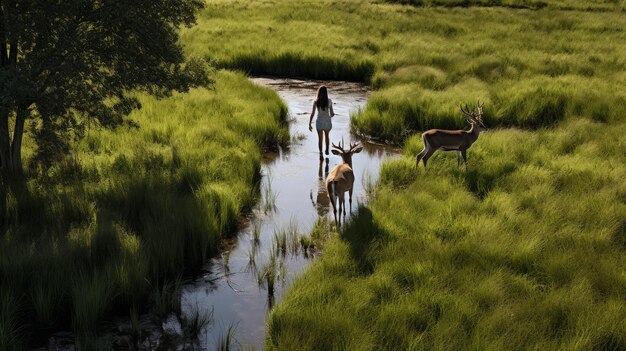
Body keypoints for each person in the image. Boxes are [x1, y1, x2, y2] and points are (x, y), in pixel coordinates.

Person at [308, 85, 335, 160]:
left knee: (320, 138)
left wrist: (310, 123)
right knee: (327, 136)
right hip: (327, 122)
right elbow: (332, 114)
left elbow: (312, 113)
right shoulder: (329, 101)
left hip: (319, 122)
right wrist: (333, 114)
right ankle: (327, 150)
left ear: (319, 92)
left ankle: (321, 153)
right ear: (326, 93)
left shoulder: (316, 102)